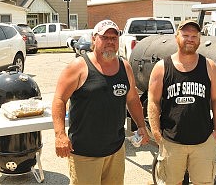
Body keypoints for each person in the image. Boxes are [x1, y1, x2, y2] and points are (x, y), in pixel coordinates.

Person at [52, 19, 149, 185]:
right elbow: (59, 100)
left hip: (115, 151)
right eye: (105, 37)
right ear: (94, 39)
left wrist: (141, 125)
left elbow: (132, 99)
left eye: (114, 38)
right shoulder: (79, 67)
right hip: (84, 153)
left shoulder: (124, 67)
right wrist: (59, 134)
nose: (110, 42)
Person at [147, 19, 216, 184]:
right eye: (185, 35)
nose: (190, 39)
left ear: (199, 40)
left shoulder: (209, 67)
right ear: (177, 37)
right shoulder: (162, 67)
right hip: (171, 142)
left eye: (194, 36)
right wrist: (156, 133)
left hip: (203, 142)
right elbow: (153, 101)